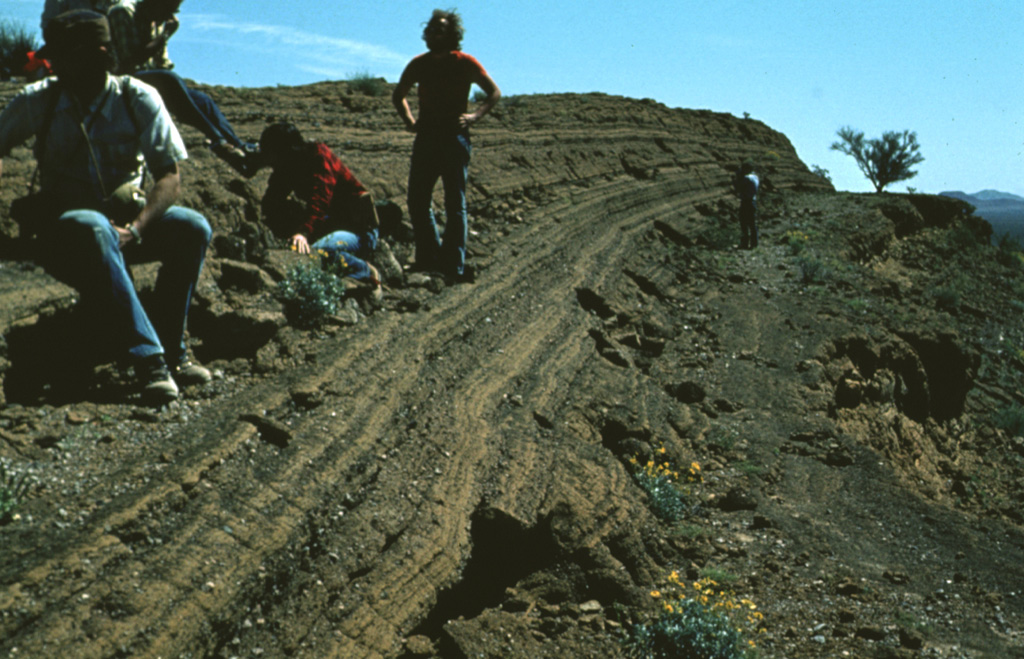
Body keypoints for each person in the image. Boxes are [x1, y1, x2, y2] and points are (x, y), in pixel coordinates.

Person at [0, 9, 212, 402]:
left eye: (63, 56)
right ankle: (150, 362)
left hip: (125, 230)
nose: (54, 64)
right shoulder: (40, 101)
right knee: (93, 226)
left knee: (194, 227)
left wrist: (136, 229)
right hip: (67, 236)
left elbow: (169, 178)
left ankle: (174, 349)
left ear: (97, 54)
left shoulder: (136, 98)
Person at [391, 8, 500, 280]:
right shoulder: (419, 63)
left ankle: (453, 266)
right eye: (430, 29)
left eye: (440, 29)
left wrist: (475, 116)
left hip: (454, 138)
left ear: (451, 34)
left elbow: (494, 92)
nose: (434, 33)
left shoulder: (464, 62)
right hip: (426, 137)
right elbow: (398, 94)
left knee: (455, 203)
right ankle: (429, 258)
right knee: (417, 200)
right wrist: (409, 120)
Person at [106, 0, 256, 174]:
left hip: (151, 81)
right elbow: (130, 61)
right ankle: (217, 140)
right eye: (168, 10)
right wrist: (164, 36)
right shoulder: (123, 12)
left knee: (203, 100)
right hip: (120, 81)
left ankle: (239, 148)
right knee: (169, 80)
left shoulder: (158, 21)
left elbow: (162, 64)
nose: (171, 16)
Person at [256, 122, 383, 299]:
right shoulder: (288, 165)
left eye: (272, 155)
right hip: (333, 223)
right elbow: (274, 197)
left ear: (285, 151)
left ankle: (364, 270)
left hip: (360, 229)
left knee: (319, 252)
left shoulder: (318, 156)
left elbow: (320, 200)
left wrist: (303, 232)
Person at [736, 160, 760, 249]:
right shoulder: (755, 177)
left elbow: (738, 186)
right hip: (752, 201)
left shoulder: (746, 178)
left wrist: (738, 176)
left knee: (744, 223)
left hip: (746, 202)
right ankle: (754, 244)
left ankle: (744, 243)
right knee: (752, 223)